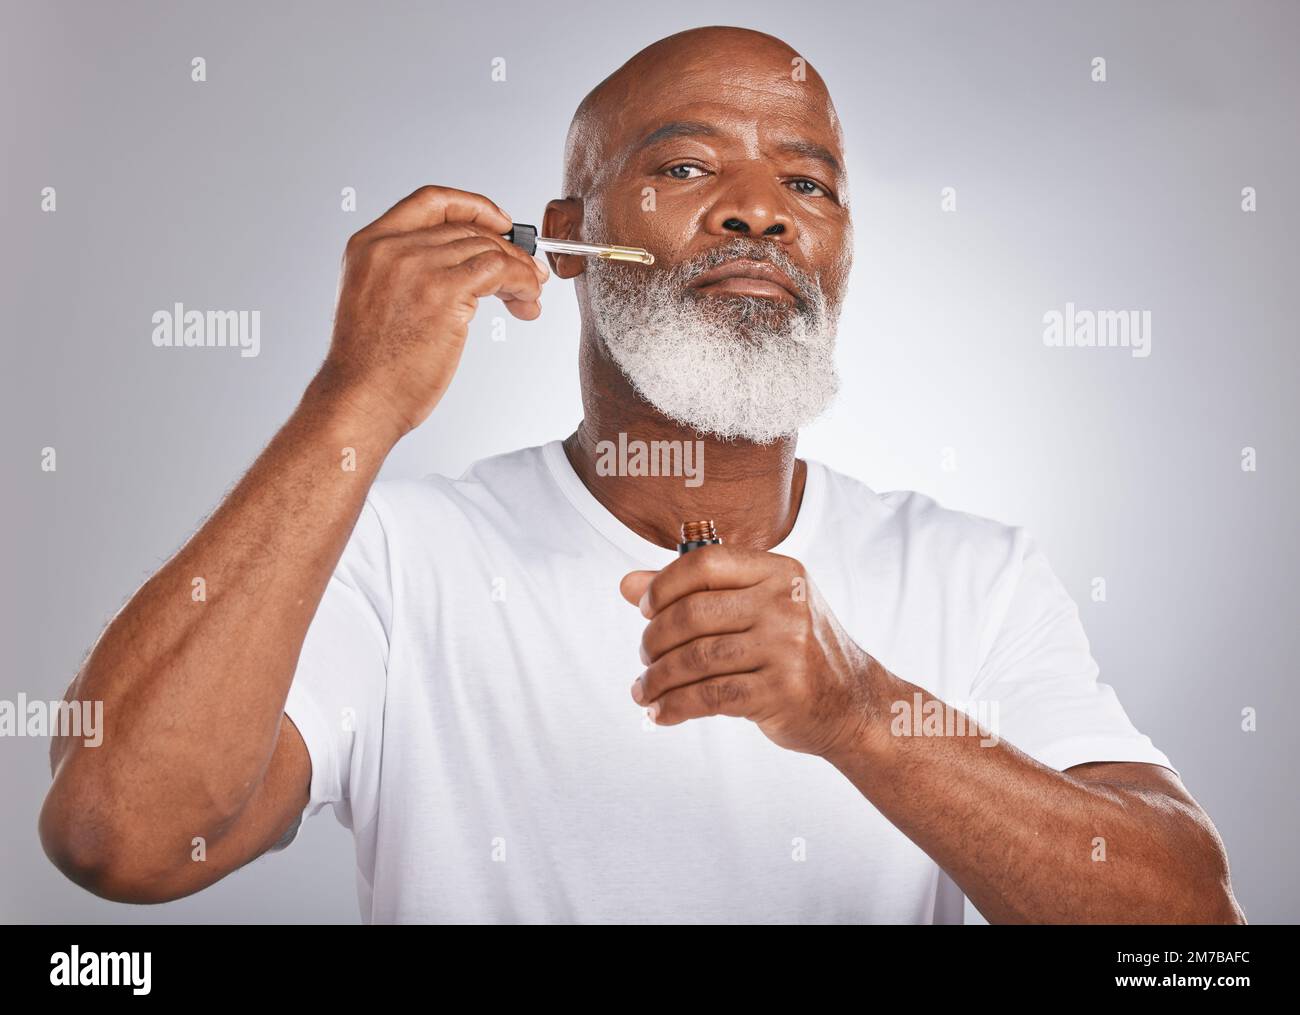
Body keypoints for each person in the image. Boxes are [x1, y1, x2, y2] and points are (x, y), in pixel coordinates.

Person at [39, 25, 1244, 924]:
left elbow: (1190, 932)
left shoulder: (972, 574)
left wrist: (859, 712)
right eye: (684, 169)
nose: (759, 215)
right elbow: (120, 837)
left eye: (808, 184)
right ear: (563, 239)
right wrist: (351, 400)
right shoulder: (395, 558)